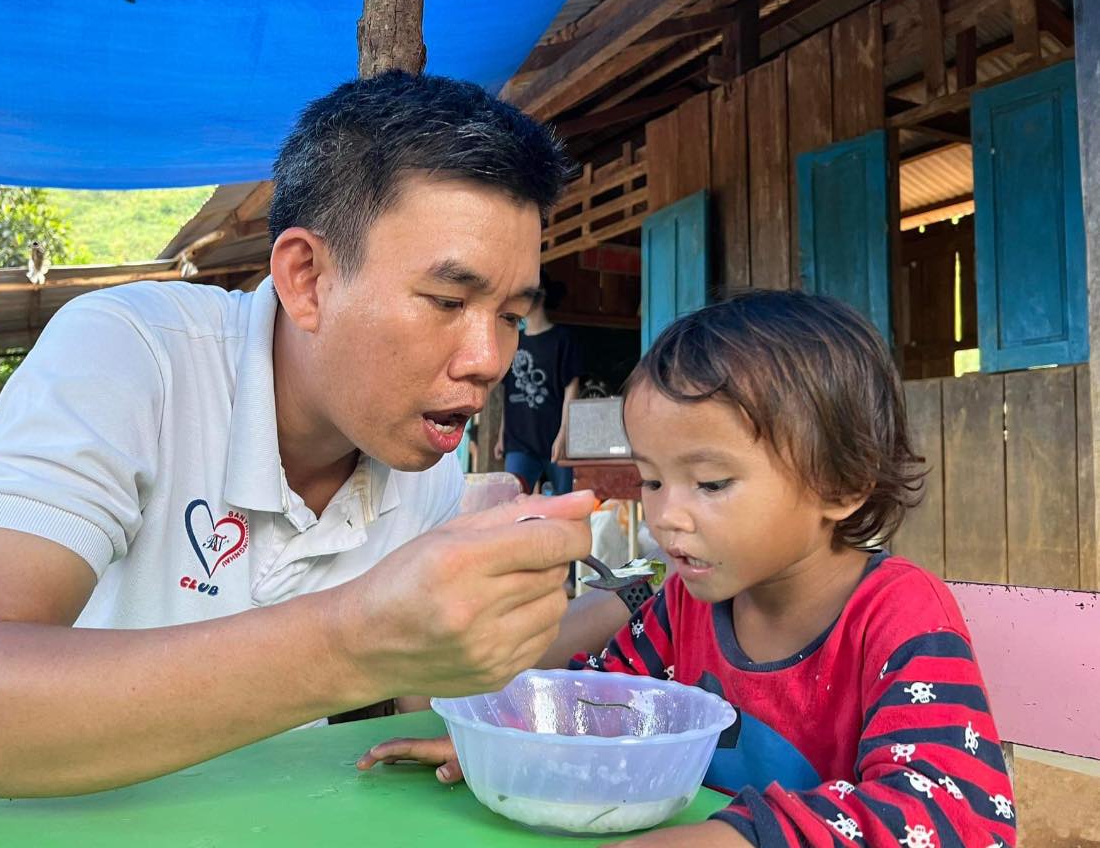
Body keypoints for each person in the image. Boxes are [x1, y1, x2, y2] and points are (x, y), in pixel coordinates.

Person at [0, 71, 632, 801]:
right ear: (307, 279)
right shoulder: (132, 356)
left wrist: (503, 655)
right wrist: (354, 637)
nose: (488, 361)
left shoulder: (425, 466)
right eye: (445, 299)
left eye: (509, 316)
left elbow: (419, 700)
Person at [358, 291, 1017, 848]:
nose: (666, 516)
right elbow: (600, 703)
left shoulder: (897, 611)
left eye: (710, 483)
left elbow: (960, 812)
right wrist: (510, 745)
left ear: (841, 483)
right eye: (651, 480)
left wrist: (734, 836)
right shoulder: (687, 603)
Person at [495, 272, 582, 495]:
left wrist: (564, 435)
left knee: (564, 506)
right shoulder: (514, 339)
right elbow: (508, 391)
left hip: (554, 437)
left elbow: (572, 388)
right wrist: (501, 436)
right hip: (518, 441)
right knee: (512, 502)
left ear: (540, 295)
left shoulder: (562, 339)